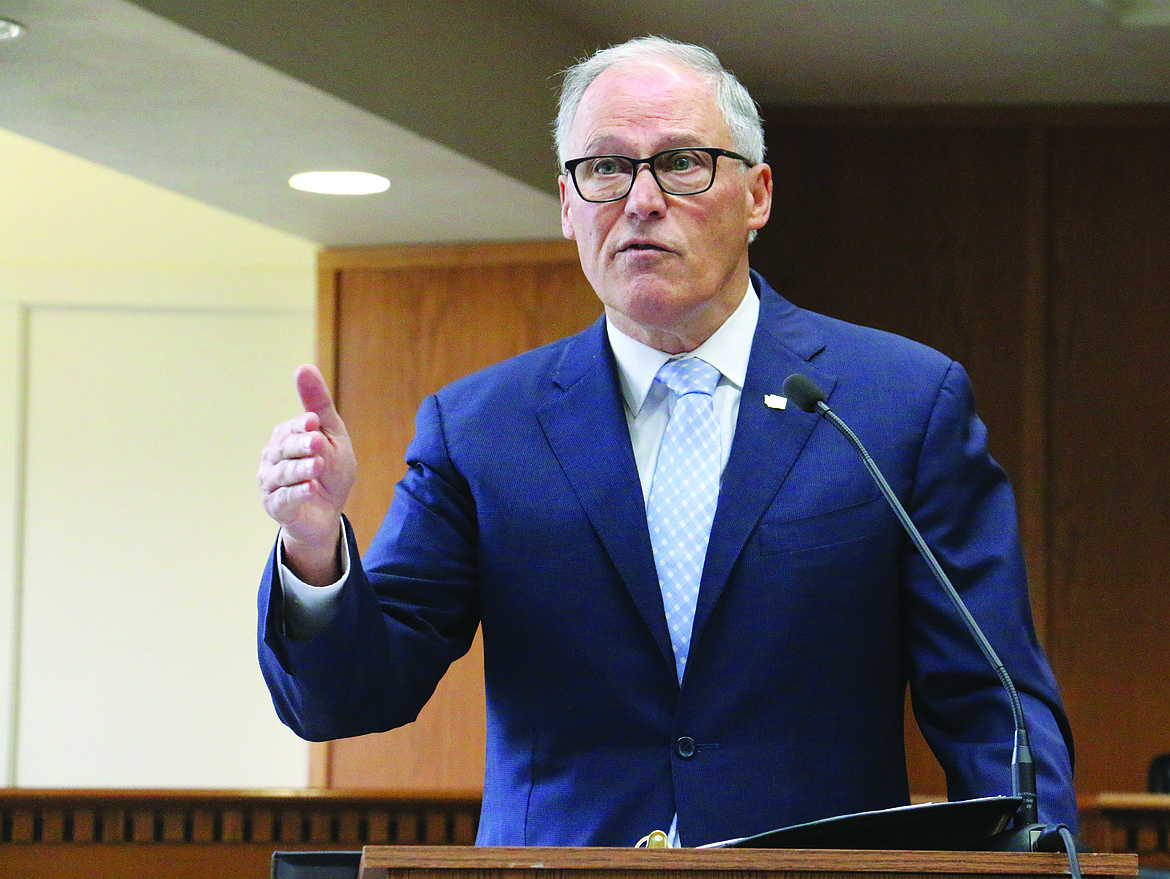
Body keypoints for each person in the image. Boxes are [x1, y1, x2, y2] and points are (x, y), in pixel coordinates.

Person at [256, 36, 1077, 847]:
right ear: (569, 204)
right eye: (606, 169)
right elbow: (351, 697)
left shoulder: (895, 403)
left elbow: (990, 699)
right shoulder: (481, 427)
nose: (641, 200)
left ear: (756, 195)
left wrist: (1040, 862)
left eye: (682, 162)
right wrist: (315, 545)